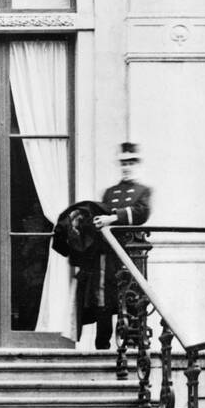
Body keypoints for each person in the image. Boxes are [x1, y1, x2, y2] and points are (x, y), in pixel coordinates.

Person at [91, 142, 152, 349]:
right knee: (104, 298)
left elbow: (141, 213)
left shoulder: (143, 191)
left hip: (130, 252)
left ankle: (133, 345)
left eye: (131, 162)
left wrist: (111, 218)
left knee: (132, 295)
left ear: (137, 164)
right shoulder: (109, 192)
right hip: (108, 251)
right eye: (123, 162)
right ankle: (102, 345)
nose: (127, 166)